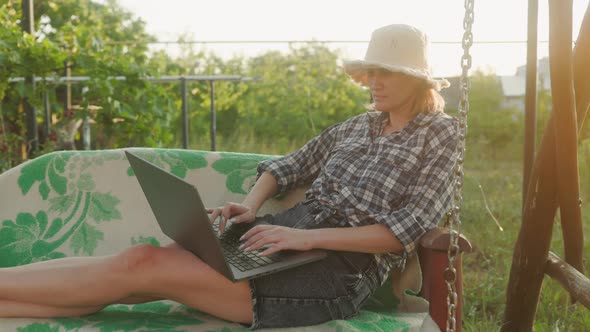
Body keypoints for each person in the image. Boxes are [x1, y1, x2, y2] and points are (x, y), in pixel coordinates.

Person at [0, 24, 458, 329]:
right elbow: (288, 167)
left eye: (388, 74)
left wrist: (303, 240)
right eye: (371, 72)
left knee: (141, 266)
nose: (375, 82)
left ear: (419, 79)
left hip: (335, 273)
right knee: (135, 272)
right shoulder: (359, 125)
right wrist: (251, 205)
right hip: (282, 241)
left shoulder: (441, 136)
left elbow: (403, 232)